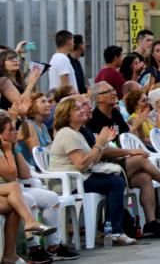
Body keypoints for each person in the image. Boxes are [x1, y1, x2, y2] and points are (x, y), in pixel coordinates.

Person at [88, 81, 160, 237]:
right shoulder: (94, 119)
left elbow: (128, 137)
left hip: (121, 163)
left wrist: (137, 127)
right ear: (99, 99)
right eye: (108, 91)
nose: (113, 92)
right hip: (104, 165)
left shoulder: (116, 114)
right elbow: (102, 149)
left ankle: (151, 223)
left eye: (113, 89)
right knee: (139, 158)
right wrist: (131, 151)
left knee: (145, 178)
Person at [49, 98, 135, 245]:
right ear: (66, 115)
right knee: (115, 183)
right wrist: (100, 145)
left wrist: (102, 144)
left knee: (115, 179)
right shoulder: (67, 133)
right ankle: (115, 230)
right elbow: (81, 163)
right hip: (69, 183)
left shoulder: (77, 133)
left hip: (79, 177)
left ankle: (111, 227)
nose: (83, 110)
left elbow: (92, 160)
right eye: (77, 109)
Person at [0, 110, 80, 262]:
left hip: (11, 189)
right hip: (7, 189)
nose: (15, 132)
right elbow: (11, 176)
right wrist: (8, 151)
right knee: (23, 196)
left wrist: (15, 148)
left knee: (51, 198)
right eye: (10, 130)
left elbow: (25, 175)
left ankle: (54, 246)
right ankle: (33, 248)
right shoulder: (3, 150)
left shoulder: (9, 146)